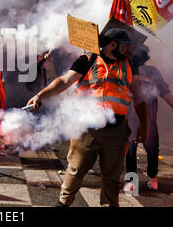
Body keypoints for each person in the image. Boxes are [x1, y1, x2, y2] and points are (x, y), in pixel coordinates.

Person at [27, 28, 148, 207]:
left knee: (111, 179)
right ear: (112, 45)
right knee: (75, 173)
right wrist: (40, 96)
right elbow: (64, 81)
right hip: (87, 130)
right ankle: (63, 203)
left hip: (117, 132)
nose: (128, 49)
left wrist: (143, 126)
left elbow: (139, 96)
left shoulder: (130, 65)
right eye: (124, 45)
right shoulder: (87, 60)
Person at [125, 45, 173, 190]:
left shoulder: (153, 72)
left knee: (153, 148)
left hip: (149, 118)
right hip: (130, 118)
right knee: (130, 149)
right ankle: (131, 179)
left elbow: (165, 92)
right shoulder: (125, 70)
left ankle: (152, 177)